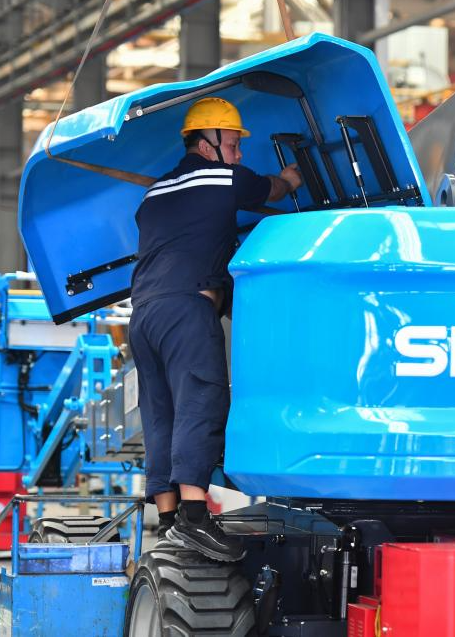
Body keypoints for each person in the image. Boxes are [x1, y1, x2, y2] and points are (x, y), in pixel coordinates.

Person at [128, 97, 302, 561]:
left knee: (160, 412)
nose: (239, 153)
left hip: (142, 315)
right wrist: (292, 177)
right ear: (207, 144)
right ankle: (194, 516)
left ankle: (169, 521)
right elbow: (272, 189)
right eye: (234, 143)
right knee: (200, 400)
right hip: (185, 311)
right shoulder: (223, 178)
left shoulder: (153, 193)